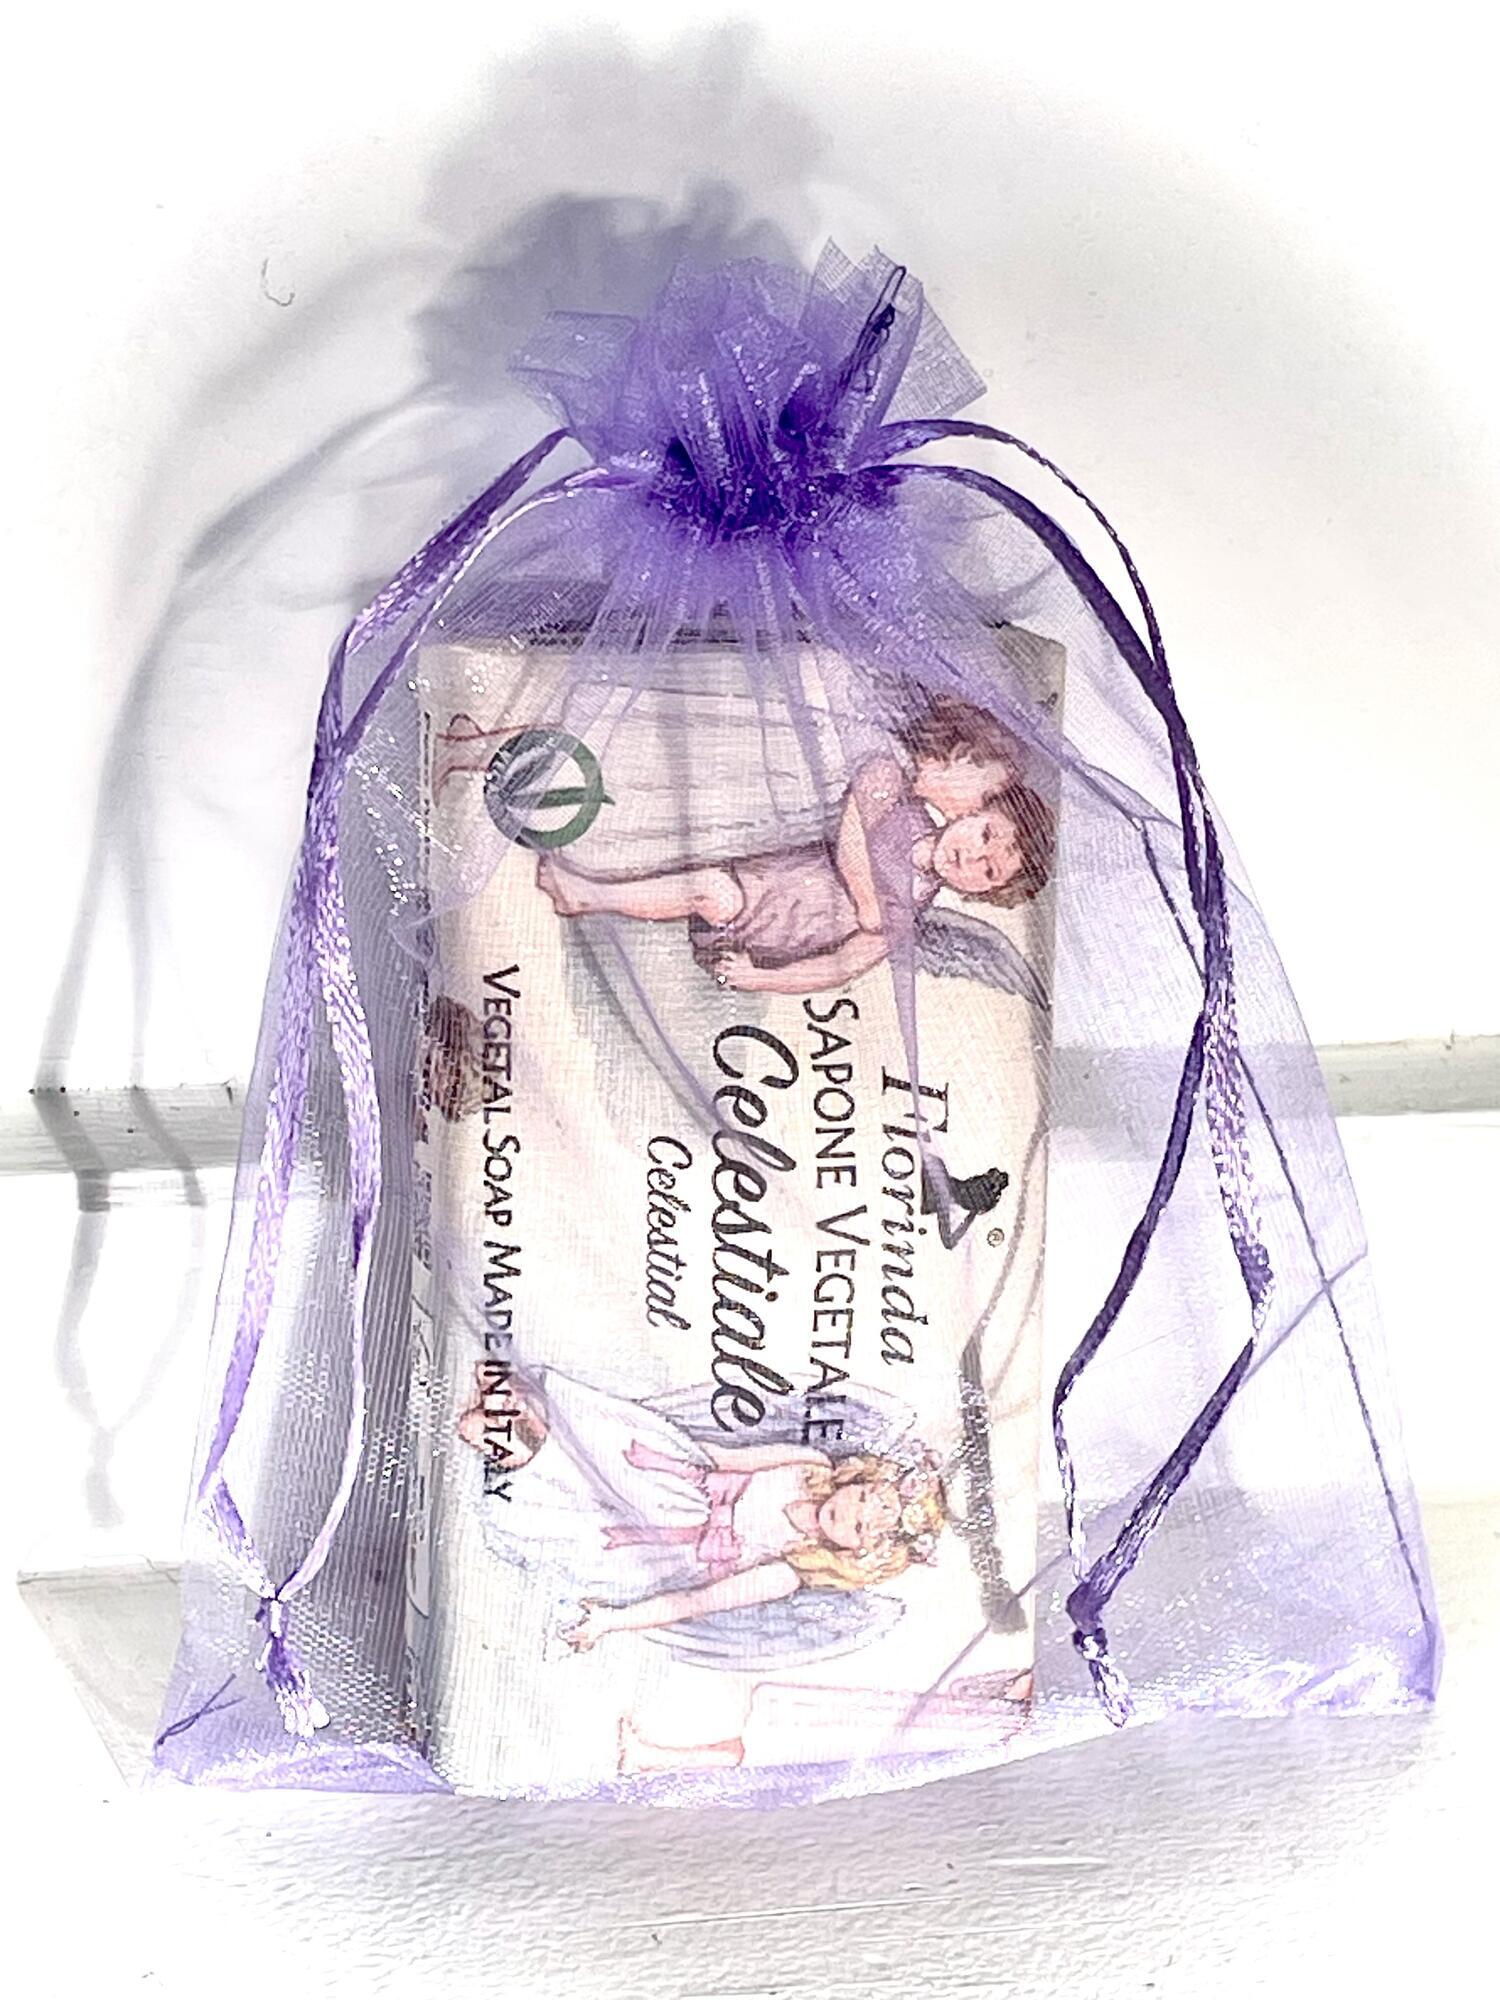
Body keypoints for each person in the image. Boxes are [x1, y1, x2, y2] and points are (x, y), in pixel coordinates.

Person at [535, 697, 1054, 997]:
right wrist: (867, 899)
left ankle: (586, 895)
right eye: (985, 835)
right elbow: (853, 828)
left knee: (714, 898)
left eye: (988, 872)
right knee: (712, 887)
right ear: (970, 815)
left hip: (762, 939)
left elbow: (839, 967)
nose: (973, 857)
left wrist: (759, 977)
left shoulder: (907, 915)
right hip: (762, 881)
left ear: (976, 894)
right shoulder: (905, 810)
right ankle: (587, 890)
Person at [455, 1365, 946, 1657]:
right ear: (859, 1480)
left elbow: (692, 1603)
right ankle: (527, 1422)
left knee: (583, 1509)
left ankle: (517, 1444)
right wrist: (663, 1450)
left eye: (859, 1528)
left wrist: (609, 1622)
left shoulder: (788, 1571)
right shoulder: (810, 1465)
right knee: (614, 1451)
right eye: (861, 1497)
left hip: (664, 1548)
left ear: (856, 1553)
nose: (847, 1512)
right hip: (680, 1481)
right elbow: (722, 1458)